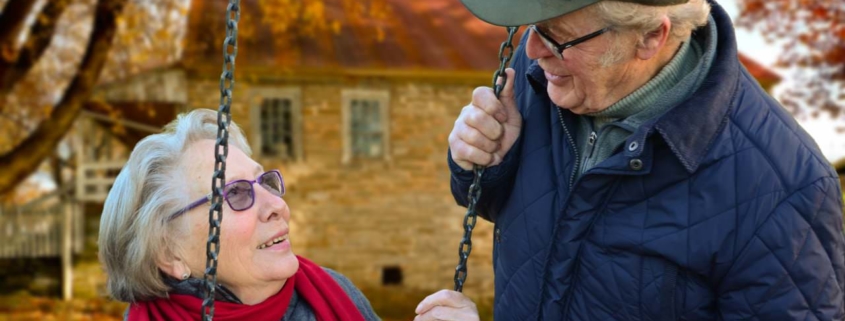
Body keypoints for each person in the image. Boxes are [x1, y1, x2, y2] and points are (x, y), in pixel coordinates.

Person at [416, 0, 845, 319]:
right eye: (533, 27)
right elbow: (519, 212)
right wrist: (483, 164)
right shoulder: (545, 78)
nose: (532, 50)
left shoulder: (785, 189)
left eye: (556, 36)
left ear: (650, 38)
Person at [98, 109, 380, 321]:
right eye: (235, 193)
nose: (277, 207)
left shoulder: (336, 294)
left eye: (264, 182)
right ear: (169, 254)